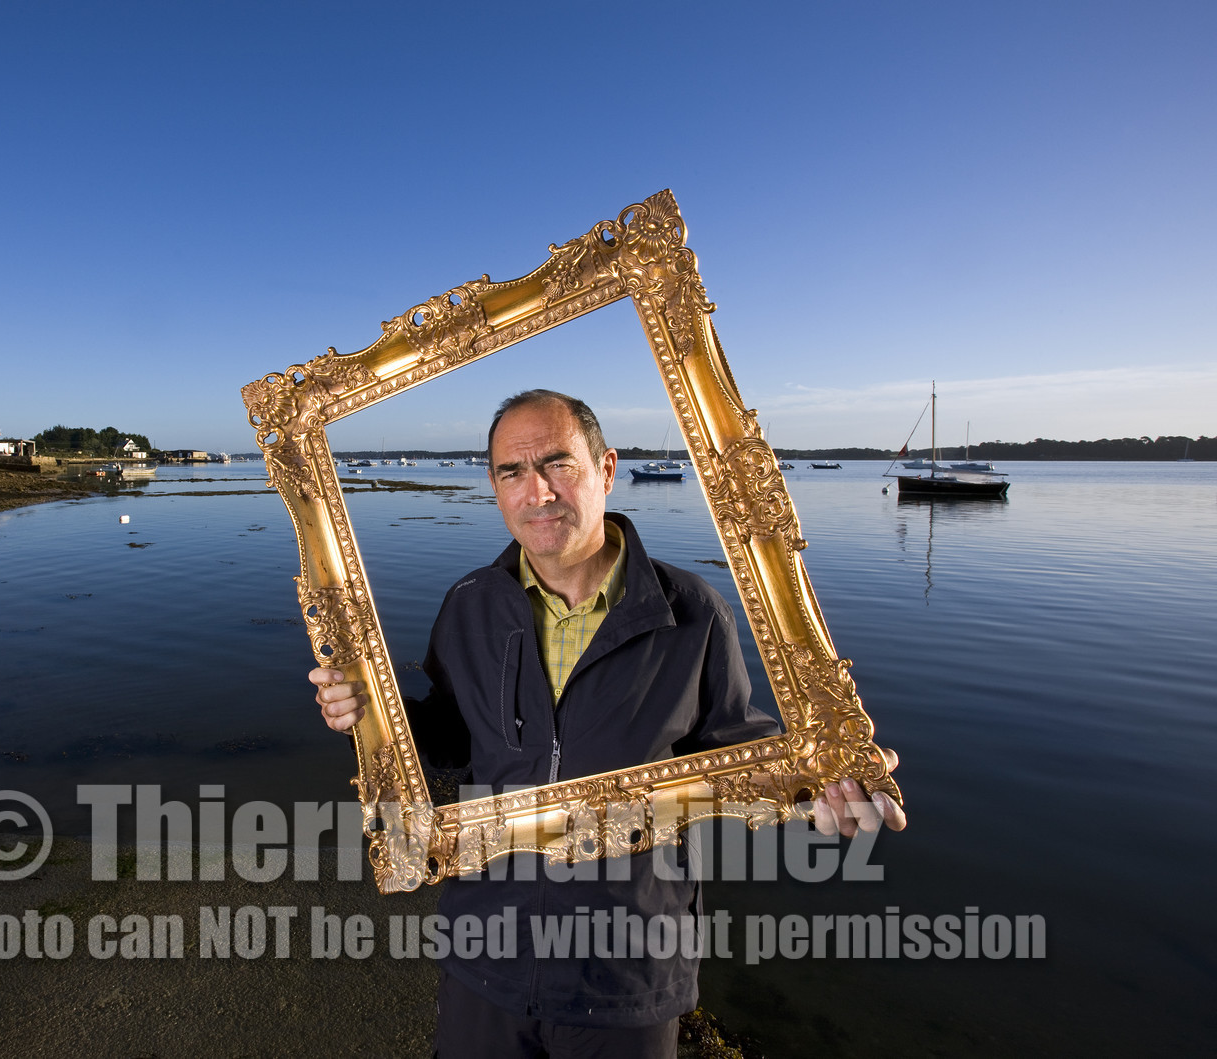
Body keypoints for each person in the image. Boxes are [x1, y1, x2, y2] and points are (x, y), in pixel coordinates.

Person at [311, 390, 905, 1059]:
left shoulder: (693, 614)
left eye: (558, 465)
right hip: (485, 954)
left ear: (607, 468)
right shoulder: (469, 604)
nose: (537, 491)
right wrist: (370, 719)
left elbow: (744, 751)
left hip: (627, 973)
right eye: (512, 471)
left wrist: (818, 779)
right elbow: (450, 740)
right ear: (494, 487)